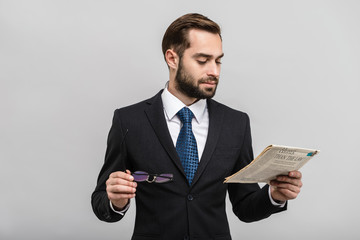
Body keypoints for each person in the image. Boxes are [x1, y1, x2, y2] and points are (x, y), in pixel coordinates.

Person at [91, 13, 303, 240]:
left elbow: (245, 207)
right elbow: (101, 203)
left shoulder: (236, 123)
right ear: (172, 59)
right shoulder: (129, 120)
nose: (214, 71)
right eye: (203, 60)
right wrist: (116, 201)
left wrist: (274, 195)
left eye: (218, 60)